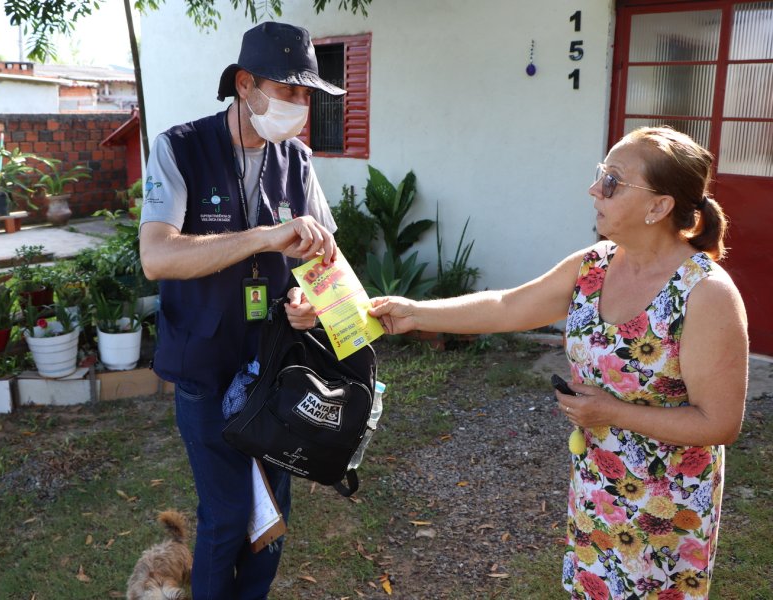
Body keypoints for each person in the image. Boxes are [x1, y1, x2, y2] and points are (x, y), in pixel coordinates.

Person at [369, 126, 748, 598]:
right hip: (597, 490)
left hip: (667, 511)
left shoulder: (706, 293)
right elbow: (508, 306)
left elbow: (720, 423)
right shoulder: (595, 265)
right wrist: (415, 312)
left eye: (612, 181)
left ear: (658, 206)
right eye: (600, 175)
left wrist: (612, 413)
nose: (594, 189)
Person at [139, 21, 343, 599]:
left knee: (270, 519)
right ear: (246, 84)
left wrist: (312, 302)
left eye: (307, 95)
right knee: (228, 514)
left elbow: (325, 261)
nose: (300, 106)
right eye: (289, 91)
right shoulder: (180, 147)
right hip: (204, 367)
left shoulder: (297, 162)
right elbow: (156, 256)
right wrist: (261, 237)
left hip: (276, 371)